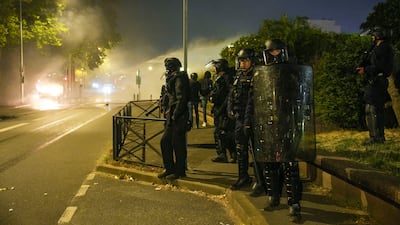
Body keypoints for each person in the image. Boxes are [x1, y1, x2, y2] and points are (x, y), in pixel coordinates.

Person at [260, 39, 303, 222]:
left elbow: (299, 95)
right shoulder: (264, 72)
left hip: (287, 121)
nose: (274, 54)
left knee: (289, 165)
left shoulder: (291, 70)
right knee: (270, 162)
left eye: (277, 51)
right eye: (271, 52)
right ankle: (273, 197)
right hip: (270, 122)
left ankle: (294, 204)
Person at [227, 48, 266, 196]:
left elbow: (255, 100)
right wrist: (230, 109)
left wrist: (249, 121)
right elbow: (232, 94)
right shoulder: (238, 77)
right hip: (239, 119)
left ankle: (260, 181)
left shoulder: (258, 75)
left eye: (245, 60)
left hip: (252, 119)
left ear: (252, 60)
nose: (242, 63)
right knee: (240, 149)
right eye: (241, 60)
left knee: (255, 151)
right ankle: (243, 177)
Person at [356, 27, 394, 145]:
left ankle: (375, 138)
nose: (371, 37)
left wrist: (365, 70)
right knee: (376, 108)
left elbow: (380, 67)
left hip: (378, 80)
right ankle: (379, 137)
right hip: (376, 80)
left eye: (373, 35)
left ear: (378, 35)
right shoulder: (376, 48)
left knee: (371, 108)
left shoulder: (383, 48)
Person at [158, 57, 190, 180]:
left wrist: (175, 115)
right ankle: (170, 169)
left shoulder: (179, 77)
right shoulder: (173, 77)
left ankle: (179, 171)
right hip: (172, 115)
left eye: (167, 66)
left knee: (178, 145)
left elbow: (180, 98)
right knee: (165, 142)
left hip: (178, 116)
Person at [208, 59, 236, 163]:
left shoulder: (225, 79)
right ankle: (232, 155)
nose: (214, 69)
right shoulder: (225, 78)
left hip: (222, 110)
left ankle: (222, 154)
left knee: (220, 133)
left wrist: (221, 107)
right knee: (227, 133)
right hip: (222, 109)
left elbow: (227, 95)